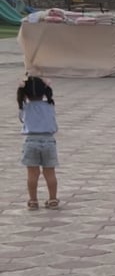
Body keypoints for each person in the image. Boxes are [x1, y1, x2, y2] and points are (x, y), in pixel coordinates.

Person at [17, 75, 60, 210]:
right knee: (50, 173)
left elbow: (21, 118)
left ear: (26, 94)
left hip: (31, 141)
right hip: (48, 141)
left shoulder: (25, 107)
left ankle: (33, 200)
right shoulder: (50, 106)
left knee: (32, 174)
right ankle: (52, 199)